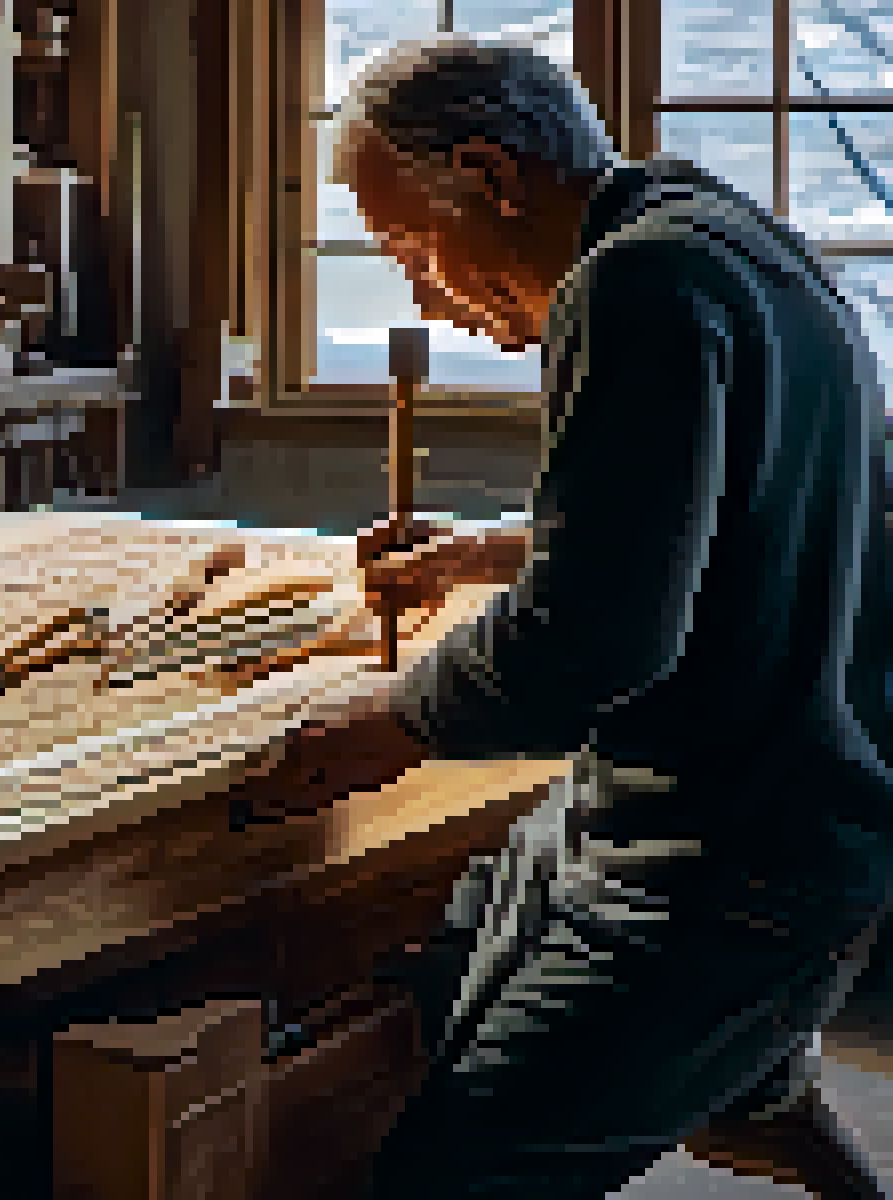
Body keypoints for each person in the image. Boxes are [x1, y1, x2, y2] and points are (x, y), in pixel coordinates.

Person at [243, 35, 893, 1200]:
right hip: (788, 819)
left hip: (722, 860)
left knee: (460, 1173)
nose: (414, 291)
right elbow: (736, 519)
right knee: (458, 956)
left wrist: (386, 724)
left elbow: (595, 636)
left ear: (493, 177)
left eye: (407, 247)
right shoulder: (731, 239)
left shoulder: (636, 282)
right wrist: (492, 552)